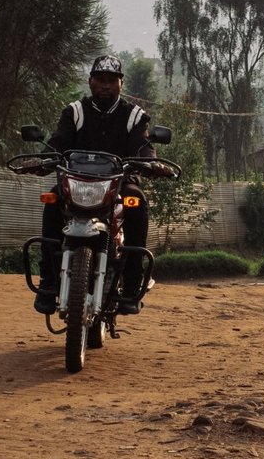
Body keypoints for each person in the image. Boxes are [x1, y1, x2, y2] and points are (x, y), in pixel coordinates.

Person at [36, 55, 173, 317]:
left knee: (137, 202)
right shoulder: (75, 112)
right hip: (76, 184)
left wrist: (152, 163)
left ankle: (132, 285)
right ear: (90, 82)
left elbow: (143, 145)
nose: (105, 86)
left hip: (120, 184)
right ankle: (48, 282)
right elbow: (58, 143)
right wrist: (42, 160)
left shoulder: (134, 116)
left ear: (121, 84)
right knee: (53, 200)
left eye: (112, 81)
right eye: (100, 80)